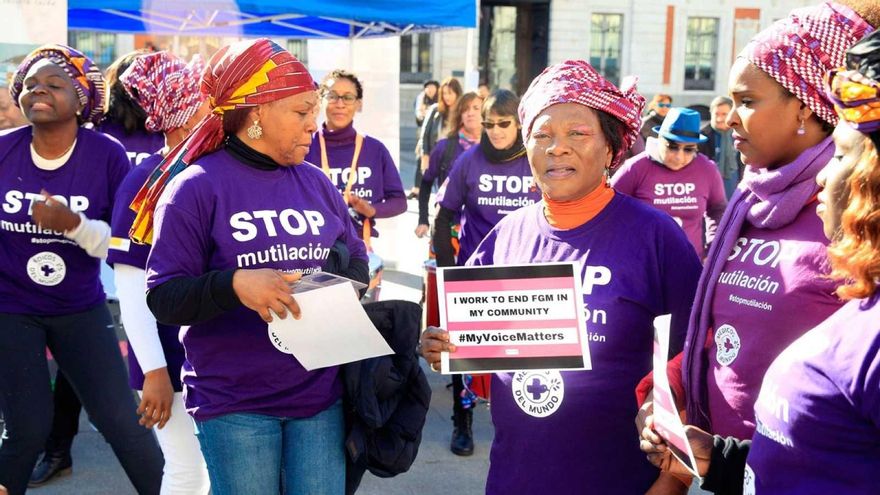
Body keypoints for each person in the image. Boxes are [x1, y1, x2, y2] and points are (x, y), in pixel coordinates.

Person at [420, 60, 702, 493]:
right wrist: (441, 345)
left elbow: (696, 366)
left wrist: (672, 483)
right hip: (514, 479)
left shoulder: (656, 237)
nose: (557, 148)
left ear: (610, 148)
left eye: (577, 133)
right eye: (542, 135)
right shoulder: (506, 235)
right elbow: (467, 342)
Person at [635, 3, 873, 493]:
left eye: (747, 101)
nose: (729, 120)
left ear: (803, 106)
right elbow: (721, 329)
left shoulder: (851, 213)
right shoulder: (749, 199)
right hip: (736, 470)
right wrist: (672, 388)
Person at [138, 38, 369, 494]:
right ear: (257, 112)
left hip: (319, 396)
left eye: (314, 111)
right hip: (234, 403)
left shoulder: (317, 184)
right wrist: (234, 285)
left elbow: (357, 263)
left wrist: (323, 287)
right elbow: (163, 297)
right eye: (301, 112)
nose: (314, 123)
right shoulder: (195, 188)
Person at [0, 44, 163, 495]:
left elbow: (122, 242)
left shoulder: (106, 155)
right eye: (31, 84)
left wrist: (73, 225)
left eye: (54, 84)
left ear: (81, 99)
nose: (39, 90)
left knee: (122, 421)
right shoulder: (4, 150)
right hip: (10, 309)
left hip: (79, 307)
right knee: (27, 429)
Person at [111, 50, 212, 494]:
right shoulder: (145, 181)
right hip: (167, 361)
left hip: (211, 357)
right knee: (187, 470)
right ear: (183, 118)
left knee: (211, 472)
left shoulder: (213, 172)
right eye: (209, 108)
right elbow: (131, 289)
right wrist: (154, 371)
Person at [431, 89, 540, 456]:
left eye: (503, 124)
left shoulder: (535, 159)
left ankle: (522, 424)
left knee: (523, 358)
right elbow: (443, 216)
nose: (495, 131)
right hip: (476, 274)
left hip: (526, 277)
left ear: (519, 125)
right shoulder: (469, 160)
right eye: (489, 124)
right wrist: (448, 273)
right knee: (463, 354)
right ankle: (462, 422)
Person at [305, 69, 406, 246]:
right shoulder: (305, 145)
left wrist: (371, 209)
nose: (340, 104)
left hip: (359, 245)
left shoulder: (375, 149)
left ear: (358, 104)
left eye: (348, 97)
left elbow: (399, 201)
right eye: (332, 96)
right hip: (313, 245)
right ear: (321, 100)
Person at [612, 107, 727, 259]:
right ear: (660, 138)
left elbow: (718, 210)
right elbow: (608, 210)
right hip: (643, 262)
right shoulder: (635, 168)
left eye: (689, 149)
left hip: (689, 262)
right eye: (672, 147)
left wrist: (713, 248)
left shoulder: (707, 169)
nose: (679, 157)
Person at [414, 91, 483, 239]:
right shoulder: (444, 147)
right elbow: (426, 183)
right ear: (459, 115)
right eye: (465, 109)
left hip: (482, 233)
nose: (470, 113)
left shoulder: (494, 149)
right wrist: (423, 220)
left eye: (476, 108)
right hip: (447, 230)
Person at [413, 77, 463, 199]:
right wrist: (425, 155)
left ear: (457, 93)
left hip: (456, 157)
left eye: (450, 93)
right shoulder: (436, 109)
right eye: (444, 93)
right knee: (440, 190)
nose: (447, 97)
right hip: (437, 155)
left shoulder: (462, 111)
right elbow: (425, 133)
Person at [699, 96, 743, 199]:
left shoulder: (741, 134)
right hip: (709, 191)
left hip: (736, 190)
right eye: (716, 114)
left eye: (724, 114)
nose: (719, 119)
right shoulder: (702, 136)